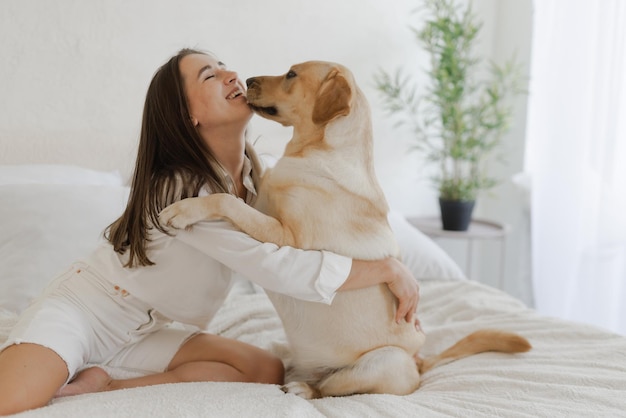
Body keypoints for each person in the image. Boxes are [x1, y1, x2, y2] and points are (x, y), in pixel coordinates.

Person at [0, 48, 420, 415]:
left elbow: (301, 236)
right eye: (209, 76)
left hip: (146, 327)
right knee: (12, 401)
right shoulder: (183, 190)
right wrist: (386, 269)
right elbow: (278, 267)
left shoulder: (256, 180)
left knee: (265, 369)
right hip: (87, 312)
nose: (230, 75)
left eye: (225, 66)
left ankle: (106, 384)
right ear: (190, 116)